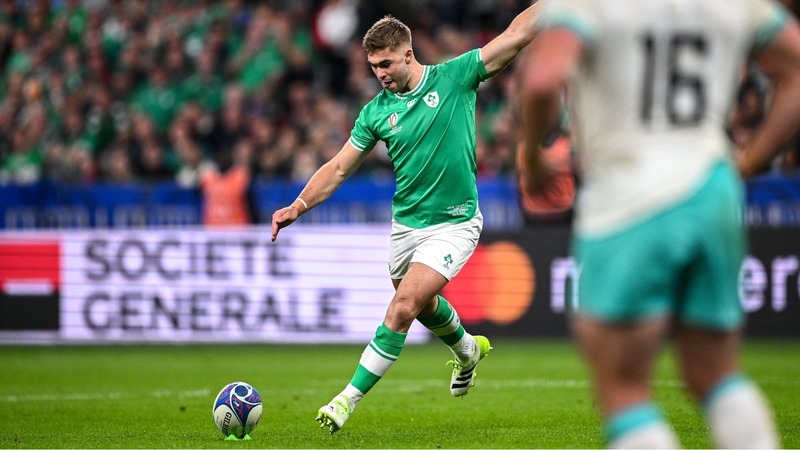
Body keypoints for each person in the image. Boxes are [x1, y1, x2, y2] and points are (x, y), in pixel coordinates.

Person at [518, 0, 800, 448]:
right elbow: (796, 65)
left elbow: (541, 79)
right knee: (716, 373)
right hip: (713, 186)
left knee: (624, 389)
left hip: (629, 195)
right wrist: (752, 159)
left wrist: (532, 156)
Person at [271, 5, 540, 434]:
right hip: (406, 228)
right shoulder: (375, 113)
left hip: (455, 223)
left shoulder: (454, 77)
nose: (379, 73)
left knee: (402, 307)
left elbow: (513, 37)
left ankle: (345, 400)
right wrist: (298, 206)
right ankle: (469, 350)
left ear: (408, 55)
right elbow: (339, 167)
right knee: (421, 303)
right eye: (373, 65)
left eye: (385, 63)